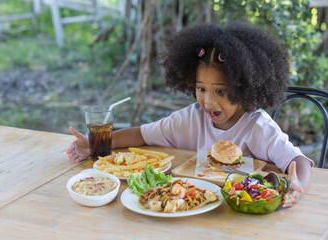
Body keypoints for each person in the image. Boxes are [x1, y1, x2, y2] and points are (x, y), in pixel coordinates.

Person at [66, 22, 313, 208]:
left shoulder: (258, 126)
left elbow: (297, 161)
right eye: (201, 88)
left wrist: (297, 183)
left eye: (220, 91)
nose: (207, 101)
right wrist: (93, 144)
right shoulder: (191, 118)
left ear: (245, 86)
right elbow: (140, 134)